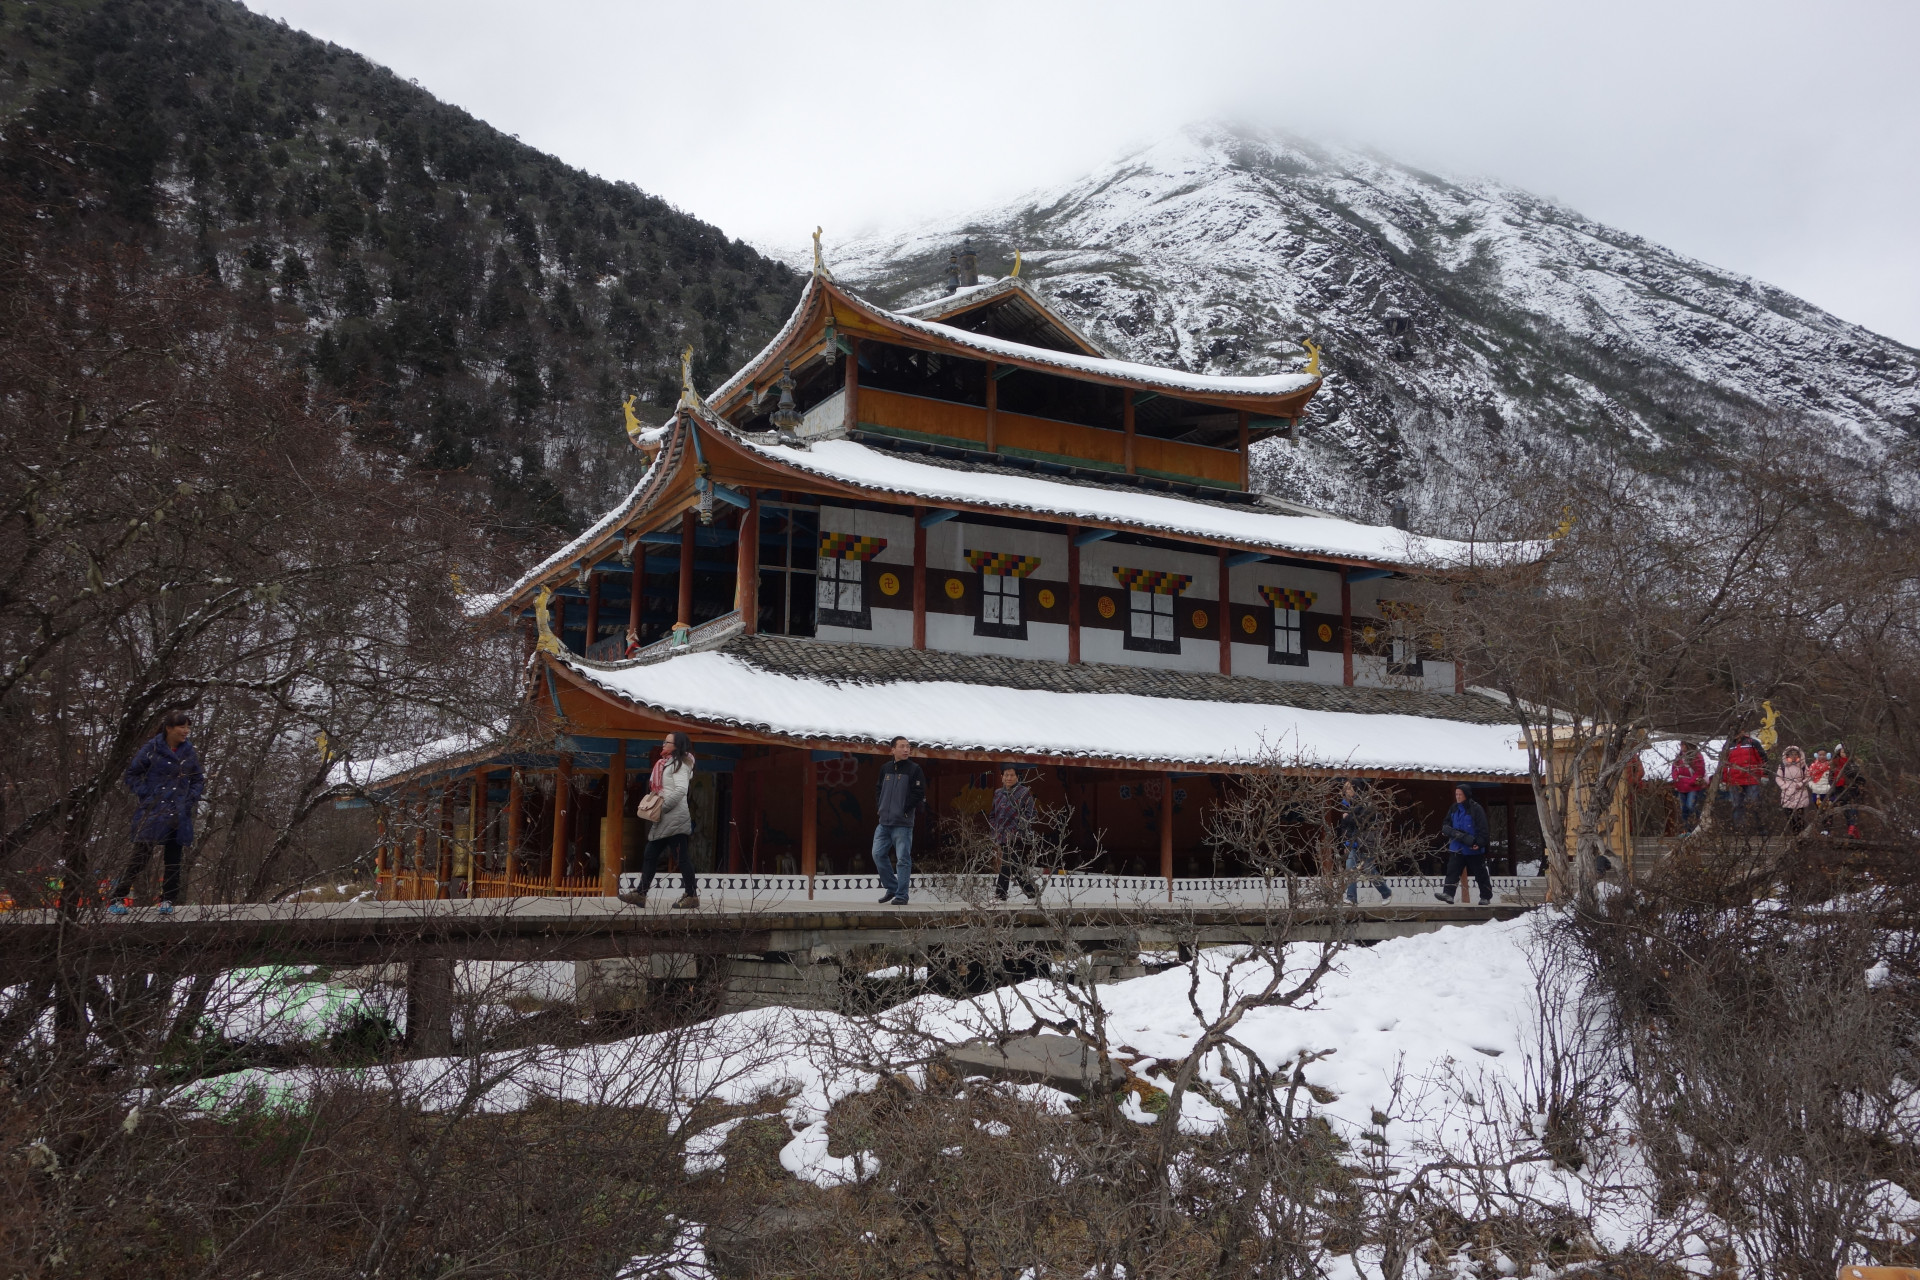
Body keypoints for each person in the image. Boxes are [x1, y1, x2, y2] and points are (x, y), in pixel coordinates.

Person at [109, 711, 205, 915]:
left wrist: (190, 799)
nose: (186, 731)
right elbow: (132, 774)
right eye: (182, 727)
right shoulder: (151, 749)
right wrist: (148, 795)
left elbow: (198, 778)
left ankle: (167, 901)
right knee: (140, 856)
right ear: (169, 728)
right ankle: (117, 897)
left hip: (179, 811)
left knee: (174, 858)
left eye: (188, 727)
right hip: (154, 811)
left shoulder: (188, 751)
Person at [618, 732, 698, 909]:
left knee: (681, 858)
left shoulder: (680, 765)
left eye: (667, 742)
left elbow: (680, 791)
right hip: (664, 820)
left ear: (677, 746)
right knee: (650, 854)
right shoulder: (666, 763)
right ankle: (640, 893)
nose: (663, 744)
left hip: (675, 819)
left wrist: (662, 807)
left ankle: (692, 895)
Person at [872, 736, 926, 905]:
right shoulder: (885, 768)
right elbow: (878, 789)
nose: (906, 750)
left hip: (902, 823)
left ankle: (902, 895)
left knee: (903, 859)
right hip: (884, 822)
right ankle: (892, 887)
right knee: (878, 854)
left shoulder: (914, 769)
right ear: (892, 750)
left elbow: (919, 793)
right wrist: (880, 806)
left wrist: (904, 809)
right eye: (902, 747)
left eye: (908, 747)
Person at [989, 764, 1040, 901]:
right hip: (1002, 835)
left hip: (1018, 836)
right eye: (1006, 775)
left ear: (1017, 777)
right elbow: (992, 815)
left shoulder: (1024, 792)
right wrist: (995, 830)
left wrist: (1019, 827)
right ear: (1001, 777)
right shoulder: (998, 793)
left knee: (1006, 863)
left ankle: (1000, 896)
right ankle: (1032, 894)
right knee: (1015, 867)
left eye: (1012, 775)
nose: (1009, 778)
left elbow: (1032, 814)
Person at [1434, 783, 1491, 906]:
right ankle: (1448, 894)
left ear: (1466, 795)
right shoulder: (1454, 808)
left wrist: (1480, 843)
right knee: (1452, 872)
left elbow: (1483, 829)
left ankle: (1485, 896)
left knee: (1480, 874)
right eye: (1456, 794)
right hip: (1457, 848)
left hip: (1473, 849)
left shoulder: (1476, 809)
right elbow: (1445, 824)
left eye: (1460, 794)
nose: (1458, 797)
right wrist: (1452, 832)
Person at [1338, 779, 1391, 904]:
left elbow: (1361, 820)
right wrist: (1347, 842)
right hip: (1353, 842)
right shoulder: (1345, 804)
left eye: (1349, 788)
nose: (1346, 791)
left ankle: (1386, 892)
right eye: (1345, 788)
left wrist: (1348, 817)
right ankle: (1351, 897)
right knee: (1350, 868)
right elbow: (1345, 826)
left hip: (1366, 842)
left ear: (1357, 789)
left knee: (1368, 868)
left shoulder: (1365, 803)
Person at [1723, 733, 1767, 832]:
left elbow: (1763, 759)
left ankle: (1760, 827)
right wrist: (1724, 779)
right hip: (1735, 780)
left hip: (1752, 778)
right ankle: (1739, 829)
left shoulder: (1752, 743)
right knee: (1737, 805)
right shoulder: (1728, 745)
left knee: (1755, 803)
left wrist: (1764, 775)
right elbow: (1724, 764)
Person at [1671, 742, 1709, 833]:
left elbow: (1700, 771)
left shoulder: (1696, 756)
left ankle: (1695, 827)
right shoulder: (1679, 757)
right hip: (1681, 786)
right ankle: (1686, 830)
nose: (1681, 746)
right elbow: (1674, 768)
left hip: (1692, 786)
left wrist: (1691, 781)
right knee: (1684, 809)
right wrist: (1676, 778)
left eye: (1683, 744)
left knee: (1690, 806)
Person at [1775, 746, 1813, 831]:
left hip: (1800, 791)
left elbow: (1808, 776)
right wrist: (1784, 786)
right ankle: (1794, 830)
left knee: (1800, 814)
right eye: (1792, 754)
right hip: (1787, 792)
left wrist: (1801, 784)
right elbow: (1778, 778)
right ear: (1787, 755)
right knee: (1788, 813)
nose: (1794, 756)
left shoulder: (1803, 766)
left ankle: (1801, 831)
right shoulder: (1782, 766)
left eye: (1796, 754)